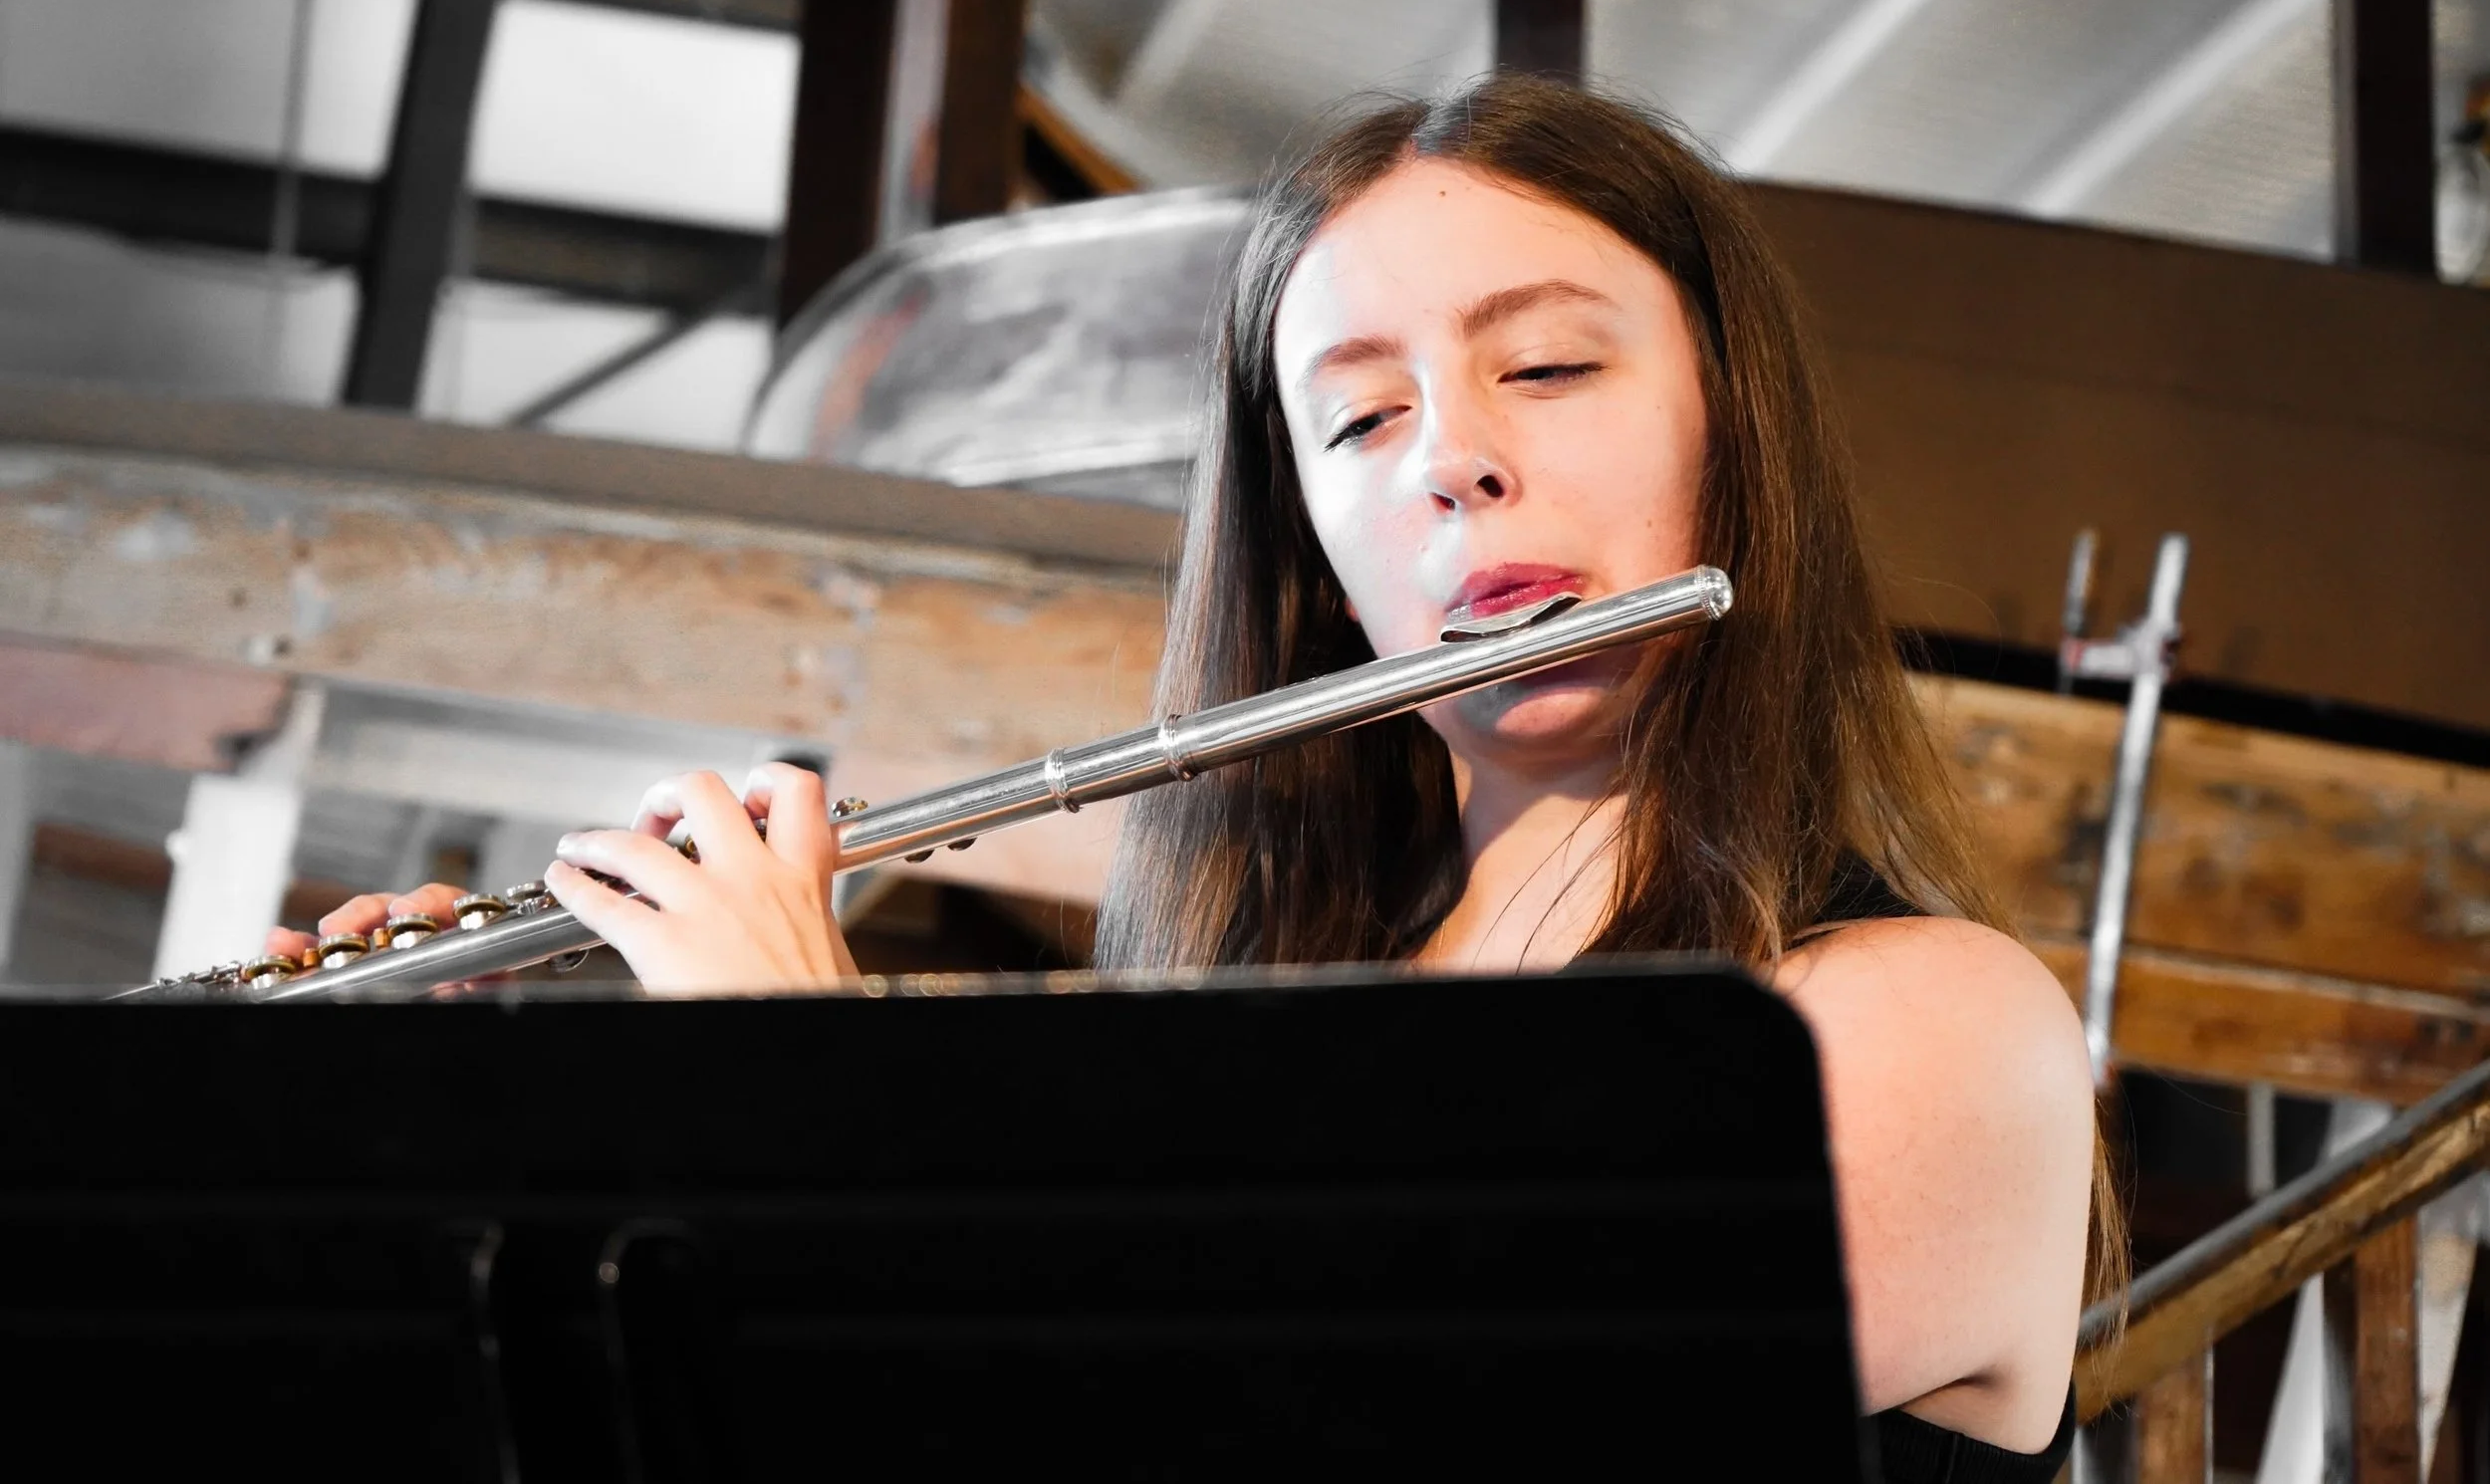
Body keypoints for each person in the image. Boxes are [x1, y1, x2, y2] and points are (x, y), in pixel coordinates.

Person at [280, 74, 2117, 1472]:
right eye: (1362, 414)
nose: (1449, 463)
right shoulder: (1201, 1070)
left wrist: (800, 1090)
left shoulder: (1915, 1025)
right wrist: (476, 1169)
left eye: (1547, 365)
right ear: (1314, 548)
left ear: (1743, 429)